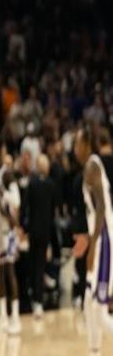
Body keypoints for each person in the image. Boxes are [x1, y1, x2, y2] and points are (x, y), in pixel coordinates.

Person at [74, 127, 113, 353]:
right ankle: (94, 351)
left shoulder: (91, 166)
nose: (74, 149)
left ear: (86, 144)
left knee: (98, 309)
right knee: (89, 303)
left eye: (77, 143)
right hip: (100, 239)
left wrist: (94, 246)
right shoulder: (91, 166)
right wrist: (89, 238)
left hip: (105, 242)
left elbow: (101, 209)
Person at [24, 154, 56, 318]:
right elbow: (53, 212)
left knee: (34, 265)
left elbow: (25, 206)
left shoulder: (32, 183)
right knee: (40, 266)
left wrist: (24, 228)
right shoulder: (51, 185)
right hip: (45, 232)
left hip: (33, 231)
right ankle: (38, 302)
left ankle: (35, 299)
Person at [0, 163, 22, 334]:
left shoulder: (6, 175)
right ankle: (3, 315)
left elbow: (17, 201)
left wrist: (2, 194)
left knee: (10, 273)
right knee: (0, 275)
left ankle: (16, 317)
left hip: (9, 233)